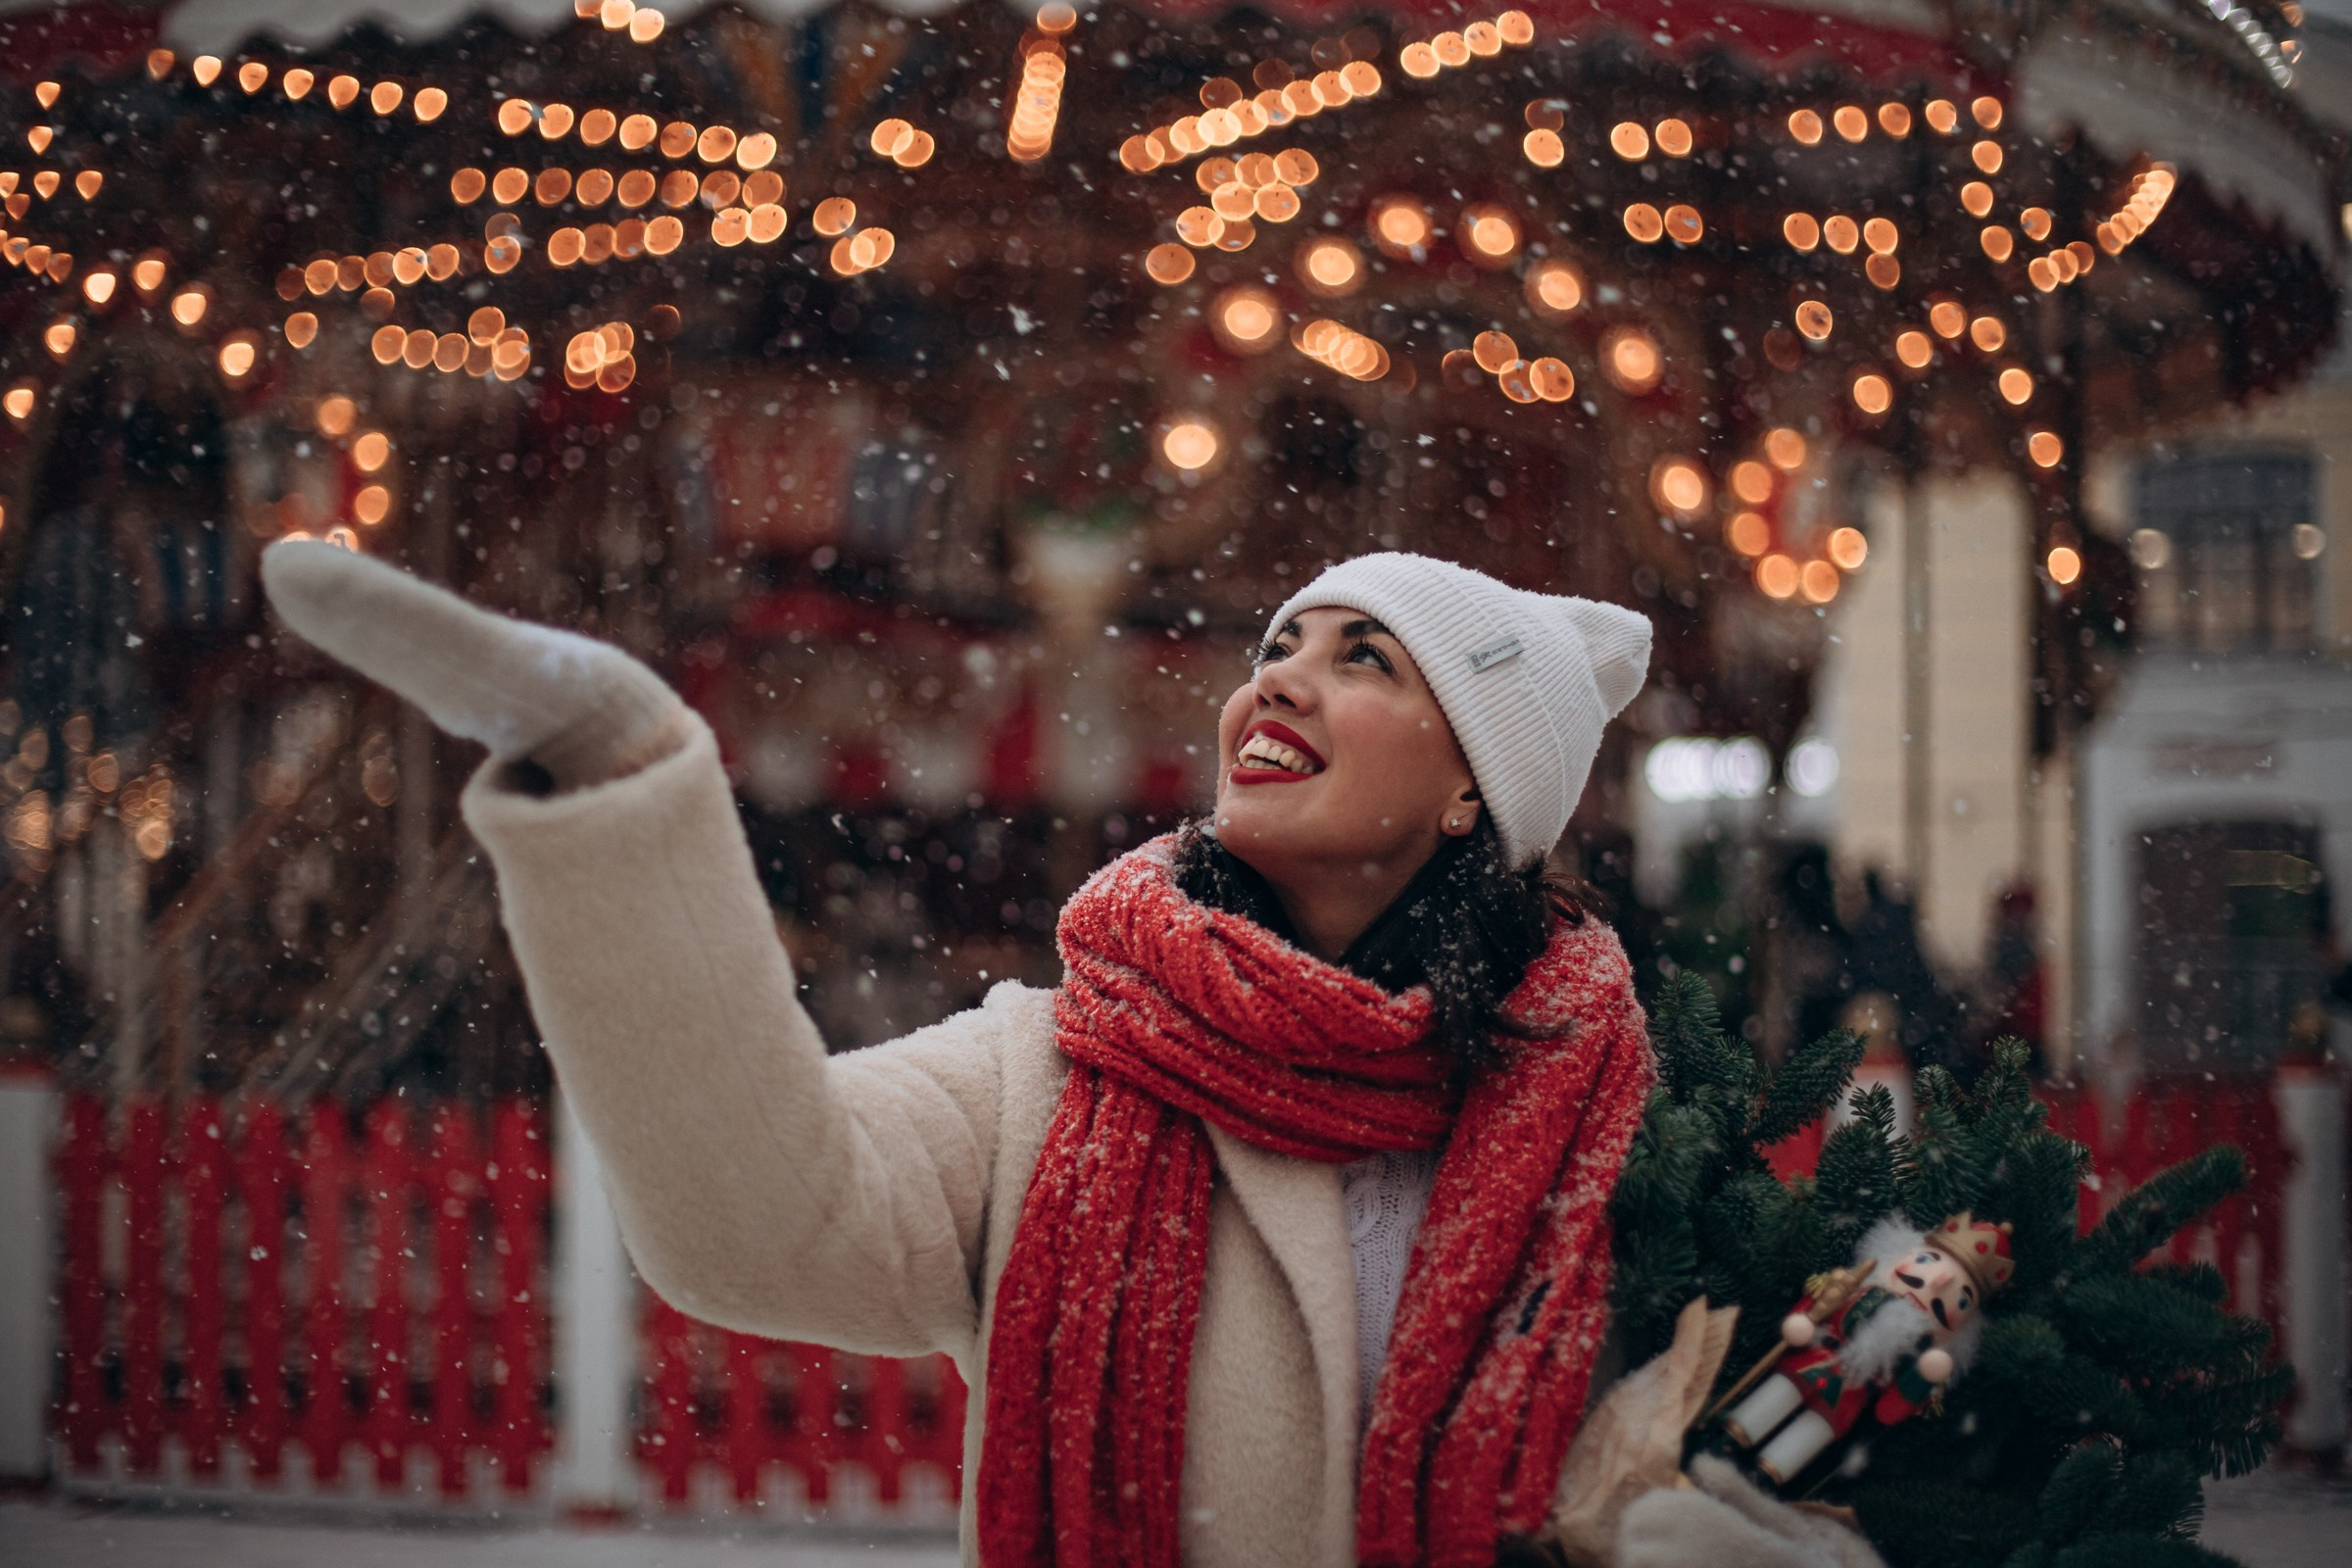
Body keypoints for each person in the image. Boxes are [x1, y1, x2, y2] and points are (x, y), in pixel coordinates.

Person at [260, 542, 1838, 1568]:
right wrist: (622, 782)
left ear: (1472, 796)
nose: (1277, 675)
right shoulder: (1055, 1081)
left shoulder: (1605, 1126)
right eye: (1282, 640)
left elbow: (1733, 1448)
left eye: (1367, 659)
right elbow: (755, 1221)